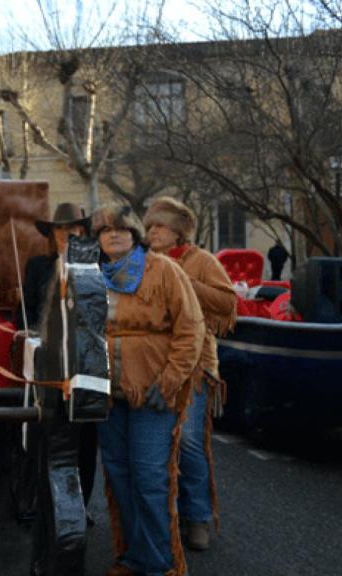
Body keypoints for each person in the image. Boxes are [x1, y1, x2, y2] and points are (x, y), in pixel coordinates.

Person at [91, 205, 204, 576]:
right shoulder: (89, 275)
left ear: (135, 232)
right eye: (105, 229)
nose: (114, 234)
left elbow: (191, 330)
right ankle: (133, 556)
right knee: (119, 478)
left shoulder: (164, 271)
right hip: (107, 395)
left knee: (150, 479)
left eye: (121, 227)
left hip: (153, 393)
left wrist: (170, 380)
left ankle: (158, 565)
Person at [145, 197, 237, 552]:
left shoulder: (201, 261)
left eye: (159, 226)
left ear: (177, 231)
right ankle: (165, 517)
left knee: (189, 441)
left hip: (195, 366)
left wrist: (182, 280)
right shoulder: (146, 262)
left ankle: (197, 517)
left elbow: (228, 303)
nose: (152, 231)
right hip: (153, 365)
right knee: (156, 446)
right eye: (149, 226)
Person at [23, 203, 100, 575]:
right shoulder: (38, 266)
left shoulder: (94, 267)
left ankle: (79, 504)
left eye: (74, 229)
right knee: (44, 434)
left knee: (84, 436)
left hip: (85, 361)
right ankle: (43, 503)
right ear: (52, 235)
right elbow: (25, 308)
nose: (67, 235)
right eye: (60, 229)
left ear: (84, 233)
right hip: (45, 356)